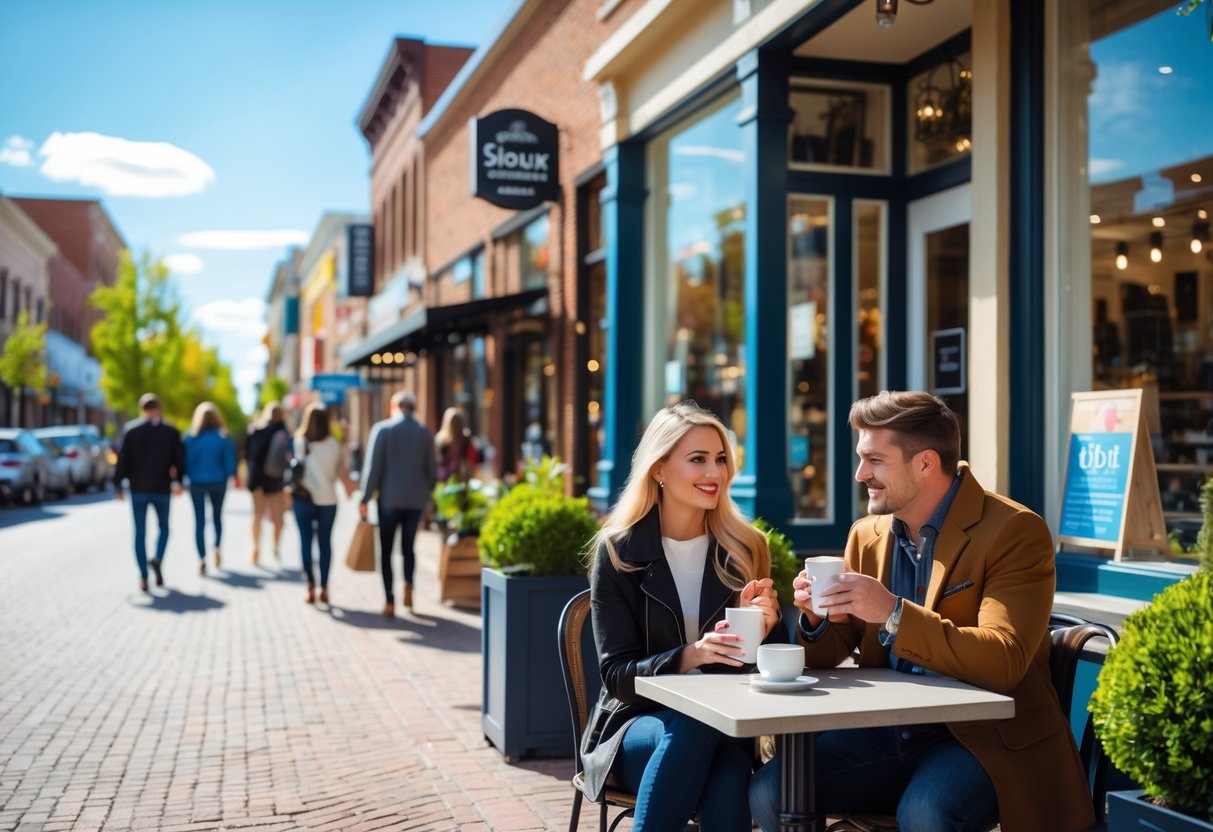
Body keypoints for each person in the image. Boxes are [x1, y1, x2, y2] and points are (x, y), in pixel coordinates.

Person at [749, 391, 1094, 832]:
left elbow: (1004, 658)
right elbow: (826, 655)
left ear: (926, 462)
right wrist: (815, 619)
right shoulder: (866, 535)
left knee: (926, 812)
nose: (860, 474)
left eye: (875, 460)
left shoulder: (1014, 531)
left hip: (978, 737)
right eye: (860, 459)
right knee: (772, 790)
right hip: (886, 727)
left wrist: (892, 612)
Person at [581, 400, 781, 832]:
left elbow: (758, 670)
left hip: (723, 728)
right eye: (697, 460)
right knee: (698, 727)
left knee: (726, 772)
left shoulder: (746, 548)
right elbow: (616, 674)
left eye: (721, 459)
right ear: (659, 470)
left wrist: (768, 631)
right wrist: (692, 654)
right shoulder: (618, 552)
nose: (715, 472)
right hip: (633, 726)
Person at [359, 391, 437, 616]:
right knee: (408, 548)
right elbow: (432, 470)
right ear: (413, 408)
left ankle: (389, 600)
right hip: (415, 501)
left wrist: (364, 498)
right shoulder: (424, 432)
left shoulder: (383, 430)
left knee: (386, 551)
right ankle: (409, 586)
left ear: (393, 406)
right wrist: (430, 494)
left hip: (389, 502)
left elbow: (373, 469)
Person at [114, 393, 184, 593]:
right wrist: (178, 481)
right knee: (164, 528)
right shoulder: (170, 431)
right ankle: (158, 558)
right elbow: (179, 459)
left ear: (141, 409)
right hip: (162, 489)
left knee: (140, 533)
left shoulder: (131, 431)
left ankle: (143, 577)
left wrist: (118, 485)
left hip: (138, 490)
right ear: (159, 409)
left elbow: (123, 461)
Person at [291, 402, 356, 605]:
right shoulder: (334, 445)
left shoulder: (300, 441)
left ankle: (310, 585)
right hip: (328, 499)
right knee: (325, 543)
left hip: (303, 497)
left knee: (305, 542)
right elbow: (341, 473)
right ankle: (325, 587)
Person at [184, 402, 237, 574]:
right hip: (218, 482)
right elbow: (230, 464)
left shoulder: (190, 439)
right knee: (217, 517)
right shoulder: (222, 438)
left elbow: (185, 464)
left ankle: (202, 558)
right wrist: (234, 476)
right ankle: (217, 547)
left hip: (197, 483)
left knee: (199, 521)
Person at [245, 402, 290, 565]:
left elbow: (247, 455)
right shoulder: (283, 432)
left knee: (257, 514)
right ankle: (276, 546)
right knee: (278, 518)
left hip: (256, 478)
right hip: (275, 479)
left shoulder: (255, 430)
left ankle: (256, 546)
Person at [434, 406, 478, 482]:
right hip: (447, 477)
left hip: (461, 476)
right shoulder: (441, 440)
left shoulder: (465, 438)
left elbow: (472, 458)